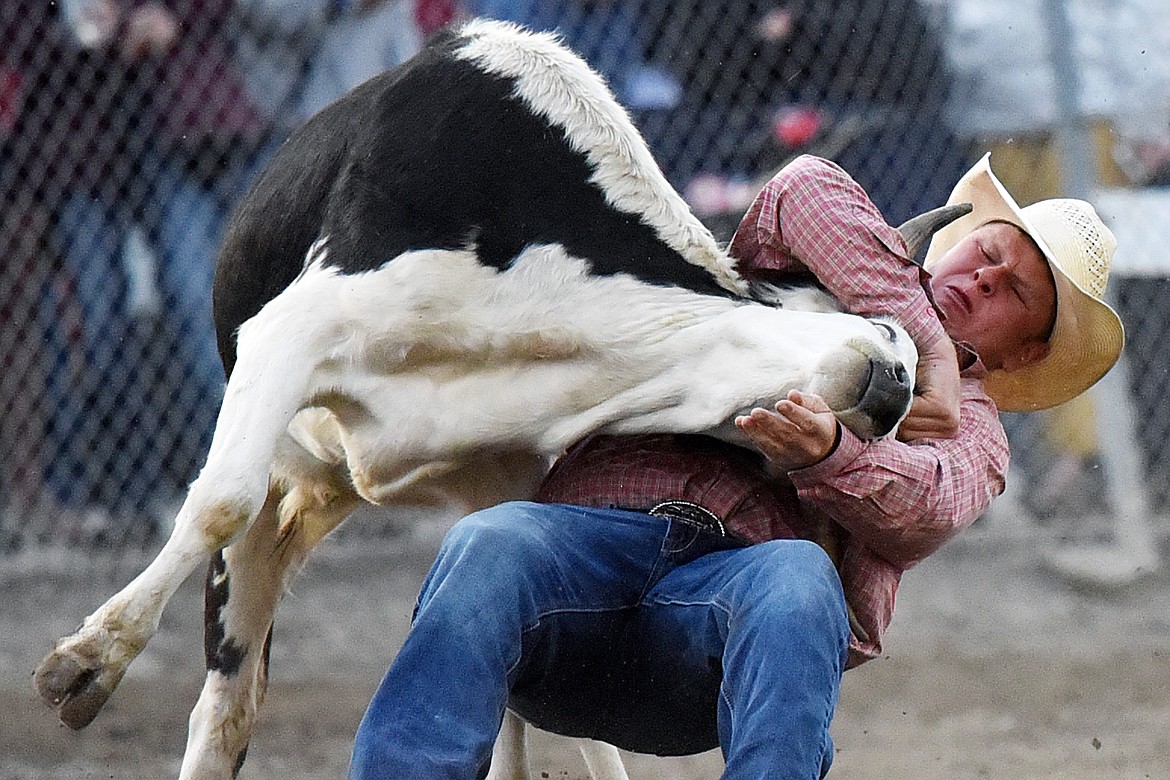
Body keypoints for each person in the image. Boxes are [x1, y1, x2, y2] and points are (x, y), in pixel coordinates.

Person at [346, 153, 1124, 778]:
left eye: (1013, 290)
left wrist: (830, 453)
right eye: (987, 253)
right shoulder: (835, 265)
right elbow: (799, 186)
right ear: (960, 238)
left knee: (797, 576)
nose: (982, 278)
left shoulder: (978, 437)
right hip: (584, 552)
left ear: (1025, 351)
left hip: (717, 623)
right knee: (493, 541)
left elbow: (925, 512)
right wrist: (924, 343)